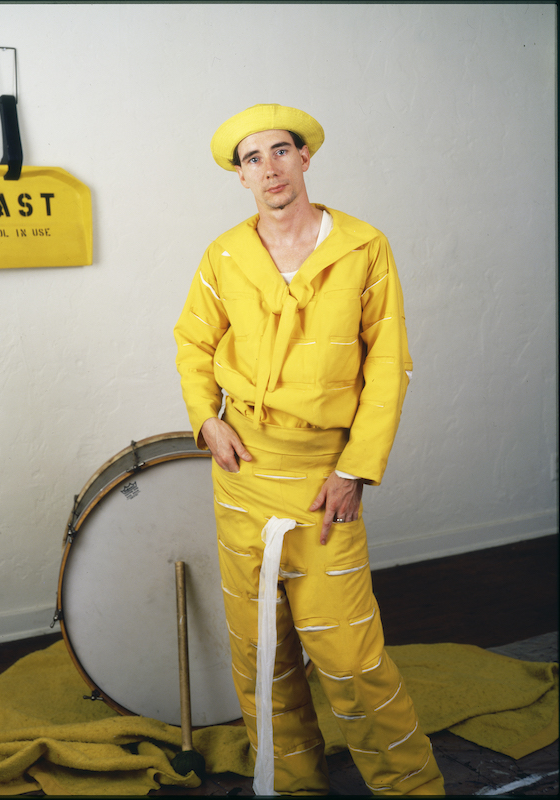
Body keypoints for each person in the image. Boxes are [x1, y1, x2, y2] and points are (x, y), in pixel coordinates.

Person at [174, 104, 444, 796]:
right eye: (251, 160)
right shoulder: (224, 254)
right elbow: (192, 342)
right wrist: (207, 419)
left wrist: (355, 469)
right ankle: (291, 783)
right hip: (242, 474)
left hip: (325, 472)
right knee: (261, 649)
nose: (268, 169)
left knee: (349, 654)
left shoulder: (363, 246)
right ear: (240, 178)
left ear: (304, 159)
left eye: (278, 152)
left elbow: (388, 362)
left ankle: (410, 788)